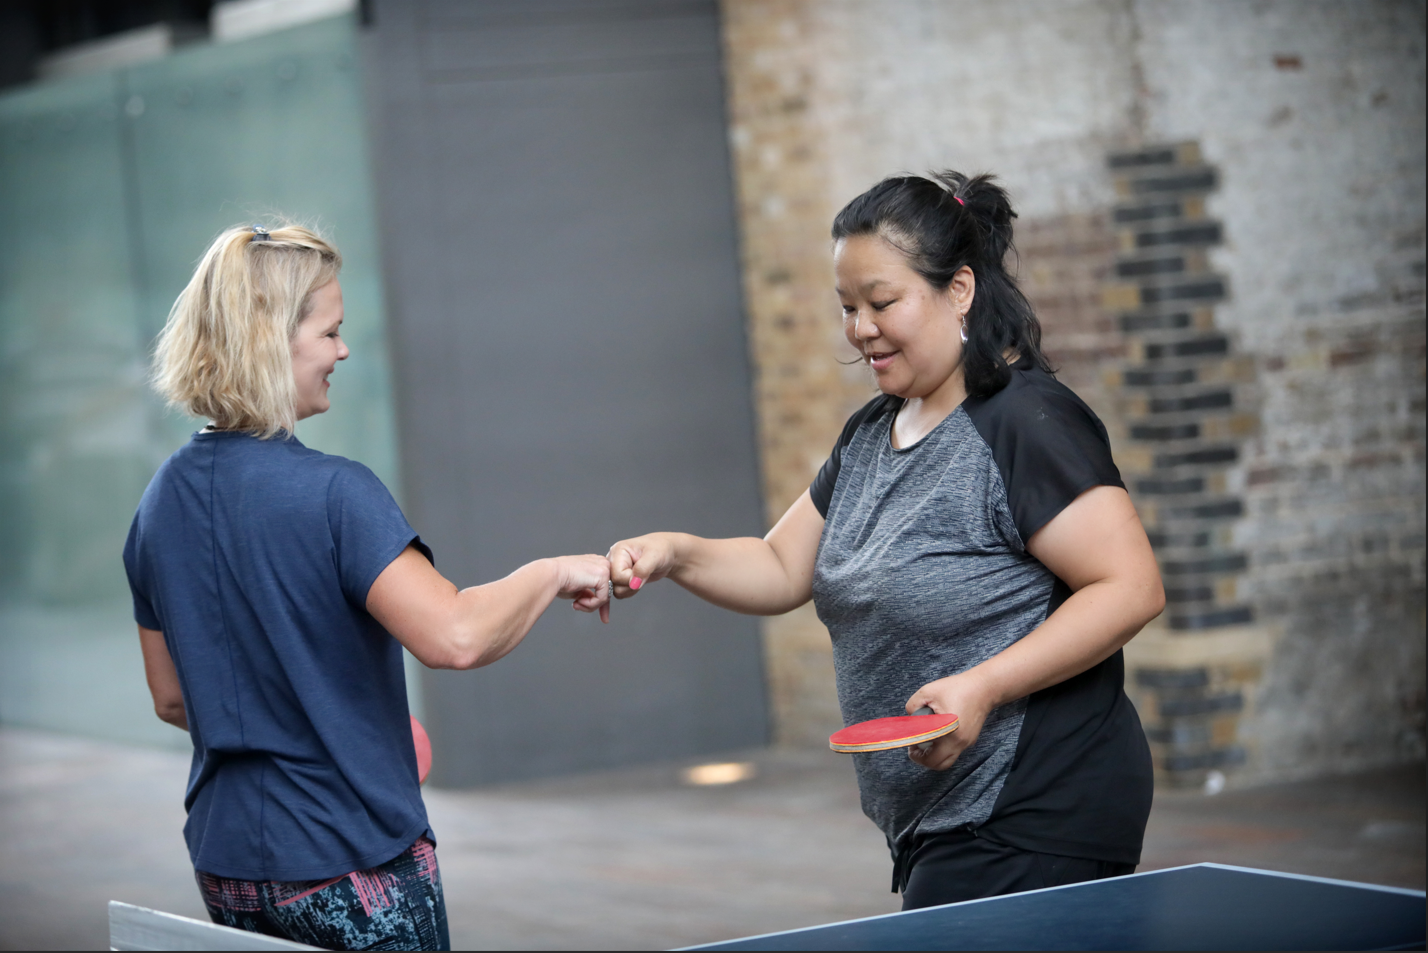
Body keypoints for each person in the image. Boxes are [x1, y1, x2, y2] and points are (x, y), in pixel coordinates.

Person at [607, 172, 1164, 909]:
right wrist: (673, 551)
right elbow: (779, 567)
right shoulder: (873, 432)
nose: (860, 327)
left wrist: (982, 685)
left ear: (959, 289)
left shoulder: (1026, 422)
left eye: (881, 301)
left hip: (1037, 804)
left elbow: (1130, 587)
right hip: (939, 818)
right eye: (847, 307)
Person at [123, 223, 611, 950]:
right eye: (330, 331)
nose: (342, 351)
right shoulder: (336, 494)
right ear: (267, 338)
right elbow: (455, 634)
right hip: (347, 857)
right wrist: (556, 571)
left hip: (227, 861)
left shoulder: (158, 501)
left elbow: (171, 697)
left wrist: (318, 725)